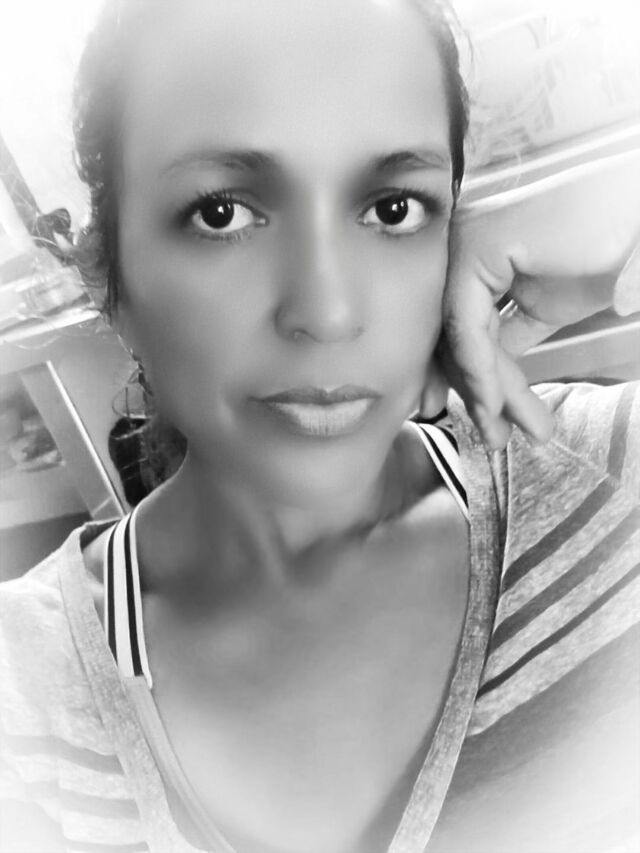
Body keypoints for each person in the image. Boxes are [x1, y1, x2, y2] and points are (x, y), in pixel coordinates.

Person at [0, 1, 638, 851]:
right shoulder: (25, 702)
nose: (328, 311)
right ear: (108, 276)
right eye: (222, 212)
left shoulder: (609, 478)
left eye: (393, 208)